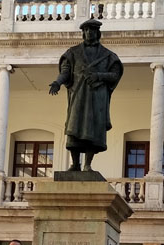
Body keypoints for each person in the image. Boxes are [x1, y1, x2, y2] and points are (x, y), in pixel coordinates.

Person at [49, 19, 123, 172]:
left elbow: (115, 75)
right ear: (83, 33)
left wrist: (99, 76)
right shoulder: (72, 53)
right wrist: (58, 82)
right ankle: (75, 164)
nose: (89, 32)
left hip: (97, 97)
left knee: (94, 128)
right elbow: (65, 72)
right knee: (73, 127)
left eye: (92, 30)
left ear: (98, 33)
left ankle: (88, 164)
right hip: (78, 95)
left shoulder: (108, 56)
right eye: (87, 30)